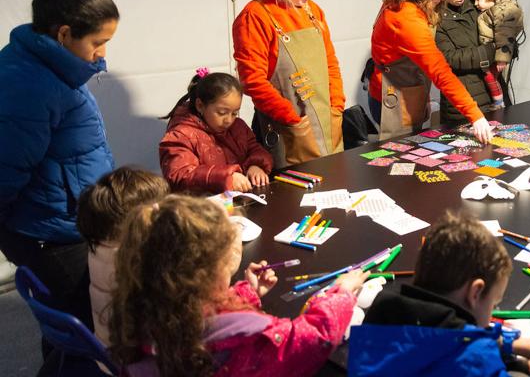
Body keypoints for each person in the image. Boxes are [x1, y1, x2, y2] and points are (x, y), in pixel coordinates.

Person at [110, 195, 367, 377]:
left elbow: (210, 313)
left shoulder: (143, 310)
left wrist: (247, 293)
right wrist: (342, 293)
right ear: (208, 273)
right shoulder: (250, 340)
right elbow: (311, 339)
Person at [0, 0, 119, 333]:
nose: (101, 55)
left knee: (69, 333)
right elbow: (5, 170)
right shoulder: (32, 84)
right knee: (82, 331)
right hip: (52, 235)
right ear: (65, 34)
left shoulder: (48, 64)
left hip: (56, 223)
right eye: (98, 43)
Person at [353, 211, 530, 376]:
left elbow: (440, 335)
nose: (492, 313)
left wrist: (508, 343)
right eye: (493, 304)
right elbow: (462, 348)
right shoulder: (477, 363)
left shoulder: (380, 314)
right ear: (475, 292)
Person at [232, 0, 345, 168]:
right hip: (289, 131)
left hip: (326, 121)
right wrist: (294, 121)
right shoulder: (255, 17)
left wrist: (336, 107)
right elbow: (253, 82)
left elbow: (330, 63)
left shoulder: (314, 12)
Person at [368, 0, 493, 143]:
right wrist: (475, 115)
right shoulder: (406, 17)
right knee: (398, 156)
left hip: (406, 88)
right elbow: (439, 70)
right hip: (393, 97)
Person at [76, 167, 169, 345]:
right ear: (130, 222)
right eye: (156, 210)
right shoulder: (134, 260)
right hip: (135, 362)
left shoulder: (101, 245)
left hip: (113, 348)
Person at [159, 70, 273, 193]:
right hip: (204, 207)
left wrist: (256, 165)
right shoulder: (181, 136)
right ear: (200, 106)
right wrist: (226, 178)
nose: (229, 120)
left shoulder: (238, 127)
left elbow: (255, 149)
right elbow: (179, 176)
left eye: (235, 113)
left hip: (241, 201)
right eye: (222, 113)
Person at [435, 0, 498, 123]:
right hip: (461, 104)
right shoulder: (436, 16)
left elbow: (508, 34)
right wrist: (491, 52)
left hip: (495, 93)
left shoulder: (479, 0)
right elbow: (449, 59)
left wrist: (506, 48)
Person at [470, 0, 524, 109]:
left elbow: (504, 34)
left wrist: (502, 57)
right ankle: (499, 101)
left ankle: (498, 102)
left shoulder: (503, 11)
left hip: (498, 51)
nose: (476, 4)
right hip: (492, 49)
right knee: (490, 76)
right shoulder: (494, 9)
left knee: (489, 75)